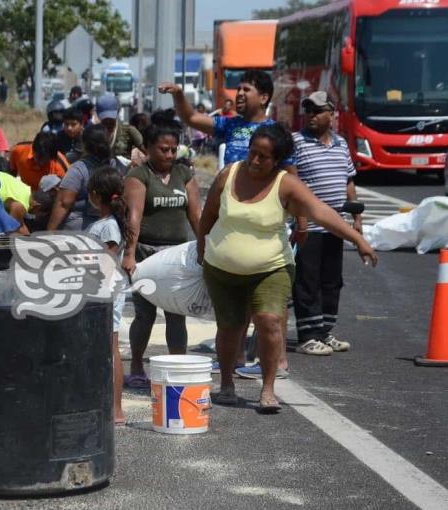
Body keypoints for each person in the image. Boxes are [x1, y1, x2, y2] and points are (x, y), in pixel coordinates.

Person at [198, 123, 377, 412]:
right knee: (230, 327)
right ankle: (227, 384)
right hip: (222, 269)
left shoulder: (286, 183)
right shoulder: (227, 174)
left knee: (269, 320)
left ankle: (268, 389)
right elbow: (208, 214)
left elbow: (321, 212)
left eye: (264, 157)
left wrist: (357, 239)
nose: (255, 161)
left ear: (277, 161)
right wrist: (200, 245)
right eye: (252, 153)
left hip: (271, 267)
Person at [160, 70, 306, 377]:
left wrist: (301, 222)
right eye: (237, 88)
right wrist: (178, 95)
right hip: (233, 216)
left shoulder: (275, 132)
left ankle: (277, 362)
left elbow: (293, 179)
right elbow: (191, 119)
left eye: (246, 89)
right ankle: (236, 357)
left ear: (264, 97)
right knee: (234, 296)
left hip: (267, 219)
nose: (238, 94)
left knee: (269, 301)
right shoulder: (230, 125)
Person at [121, 122, 202, 388]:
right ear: (147, 148)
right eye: (162, 150)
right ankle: (136, 364)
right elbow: (134, 217)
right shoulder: (139, 175)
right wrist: (130, 254)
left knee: (176, 314)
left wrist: (205, 248)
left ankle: (178, 365)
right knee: (145, 315)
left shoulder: (184, 174)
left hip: (178, 256)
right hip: (146, 253)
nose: (168, 155)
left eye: (172, 149)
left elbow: (196, 217)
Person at [291, 91, 362, 355]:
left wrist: (356, 217)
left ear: (331, 114)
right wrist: (300, 222)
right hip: (310, 227)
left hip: (336, 227)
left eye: (318, 110)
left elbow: (349, 182)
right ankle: (307, 335)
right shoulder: (296, 142)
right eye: (307, 109)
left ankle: (324, 331)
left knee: (332, 280)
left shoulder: (341, 144)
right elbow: (293, 182)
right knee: (307, 281)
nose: (311, 114)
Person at [86, 166, 130, 425]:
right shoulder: (104, 224)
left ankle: (116, 409)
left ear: (94, 195)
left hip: (105, 293)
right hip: (98, 292)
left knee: (110, 347)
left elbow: (106, 261)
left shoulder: (109, 227)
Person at [46, 124, 113, 231]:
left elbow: (64, 203)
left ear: (84, 144)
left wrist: (49, 233)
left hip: (81, 229)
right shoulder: (115, 166)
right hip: (110, 227)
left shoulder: (78, 169)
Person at [96, 93, 144, 160]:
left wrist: (138, 163)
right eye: (105, 119)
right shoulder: (94, 134)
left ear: (117, 112)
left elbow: (148, 154)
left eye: (111, 118)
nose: (108, 122)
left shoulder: (129, 131)